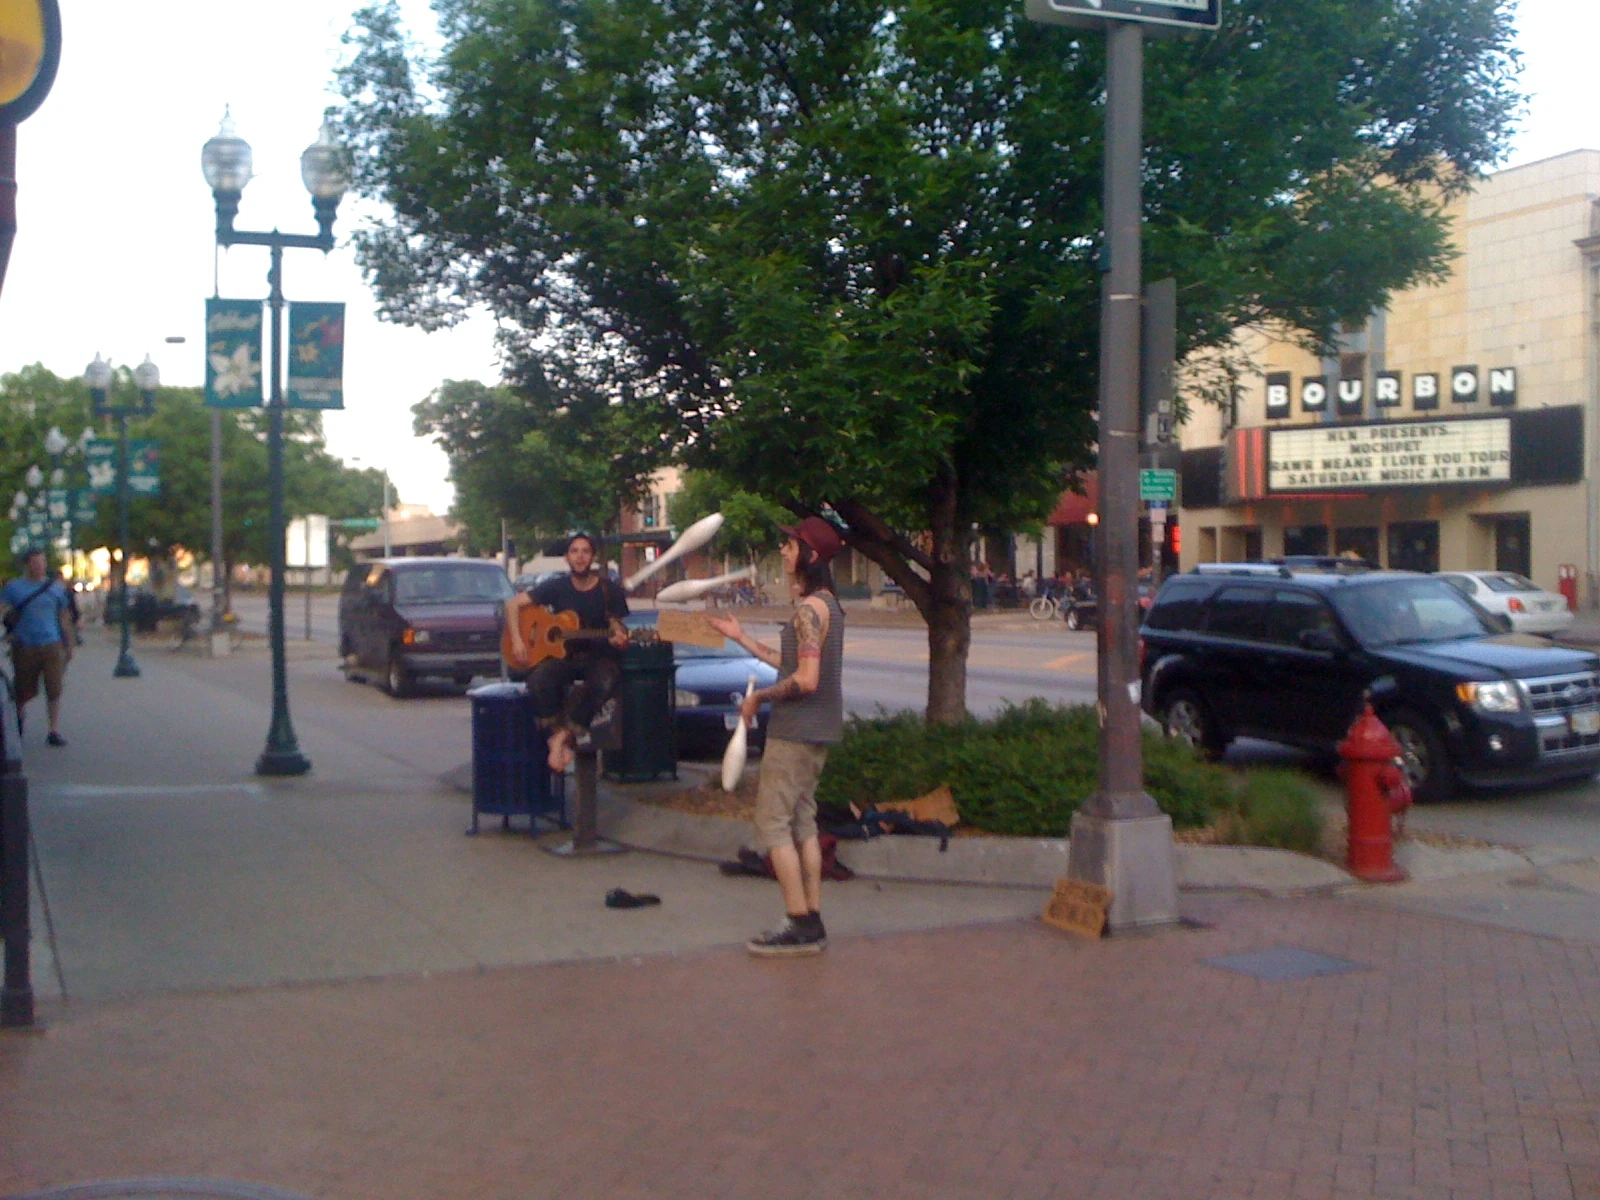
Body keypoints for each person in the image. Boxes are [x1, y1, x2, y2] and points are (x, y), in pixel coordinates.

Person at [708, 516, 846, 958]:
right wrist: (741, 637)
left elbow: (805, 680)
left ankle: (799, 921)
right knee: (803, 822)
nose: (784, 551)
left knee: (772, 825)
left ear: (810, 555)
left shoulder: (808, 612)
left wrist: (758, 699)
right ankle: (812, 917)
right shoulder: (828, 605)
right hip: (818, 732)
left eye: (791, 545)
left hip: (795, 733)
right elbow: (790, 664)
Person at [502, 533, 629, 771]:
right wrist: (518, 641)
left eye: (585, 552)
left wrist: (619, 638)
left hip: (597, 657)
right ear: (567, 558)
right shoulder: (556, 586)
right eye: (574, 551)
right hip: (563, 657)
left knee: (605, 681)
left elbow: (617, 625)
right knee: (539, 679)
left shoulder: (609, 590)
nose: (580, 557)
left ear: (593, 557)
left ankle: (561, 737)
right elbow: (512, 605)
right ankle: (561, 734)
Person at [2, 548, 76, 747]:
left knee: (54, 688)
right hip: (24, 645)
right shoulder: (14, 588)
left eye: (42, 562)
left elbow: (64, 616)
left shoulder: (55, 588)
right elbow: (3, 609)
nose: (39, 566)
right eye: (35, 563)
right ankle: (18, 719)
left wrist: (69, 644)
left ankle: (53, 730)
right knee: (23, 689)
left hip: (52, 644)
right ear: (27, 565)